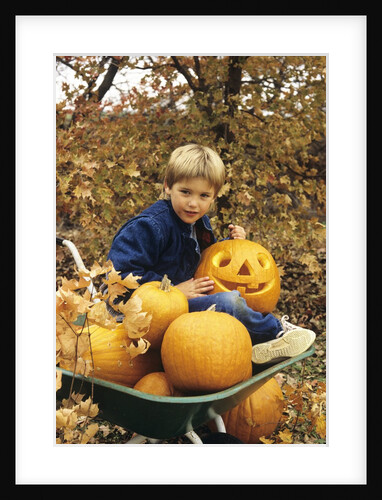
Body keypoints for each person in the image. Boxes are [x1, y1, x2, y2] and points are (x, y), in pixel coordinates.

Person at [107, 143, 316, 364]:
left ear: (214, 196)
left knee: (233, 298)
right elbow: (119, 277)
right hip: (139, 315)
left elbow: (206, 261)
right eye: (185, 192)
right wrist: (170, 290)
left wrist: (232, 247)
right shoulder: (150, 227)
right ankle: (277, 333)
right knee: (229, 303)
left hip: (177, 307)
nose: (193, 203)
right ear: (168, 186)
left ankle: (256, 348)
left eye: (203, 195)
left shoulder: (198, 222)